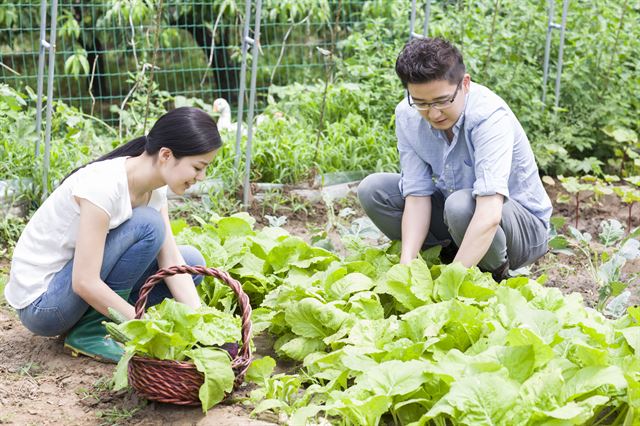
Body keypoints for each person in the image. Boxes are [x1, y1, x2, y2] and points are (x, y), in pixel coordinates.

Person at [4, 107, 221, 362]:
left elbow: (171, 260)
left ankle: (96, 322)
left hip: (74, 293)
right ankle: (91, 332)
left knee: (191, 263)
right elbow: (84, 281)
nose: (201, 177)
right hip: (44, 305)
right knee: (148, 225)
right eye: (198, 167)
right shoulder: (104, 186)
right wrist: (143, 326)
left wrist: (202, 328)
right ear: (166, 155)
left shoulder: (155, 190)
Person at [358, 37, 552, 280]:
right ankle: (450, 261)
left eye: (442, 100)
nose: (434, 113)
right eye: (421, 103)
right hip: (459, 217)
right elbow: (417, 196)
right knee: (374, 190)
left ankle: (496, 275)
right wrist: (406, 268)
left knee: (460, 204)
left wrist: (449, 284)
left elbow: (490, 213)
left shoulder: (488, 117)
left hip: (521, 231)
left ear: (465, 84)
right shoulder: (407, 115)